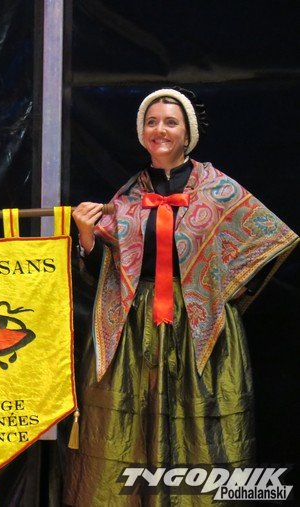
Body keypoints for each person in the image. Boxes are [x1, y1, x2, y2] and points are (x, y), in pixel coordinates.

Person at [64, 88, 297, 505]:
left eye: (170, 122)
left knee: (200, 427)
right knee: (130, 428)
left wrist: (229, 288)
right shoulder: (127, 197)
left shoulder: (218, 190)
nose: (160, 129)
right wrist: (86, 235)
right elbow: (108, 272)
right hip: (135, 329)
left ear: (187, 133)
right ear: (142, 133)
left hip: (199, 324)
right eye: (151, 122)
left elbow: (267, 237)